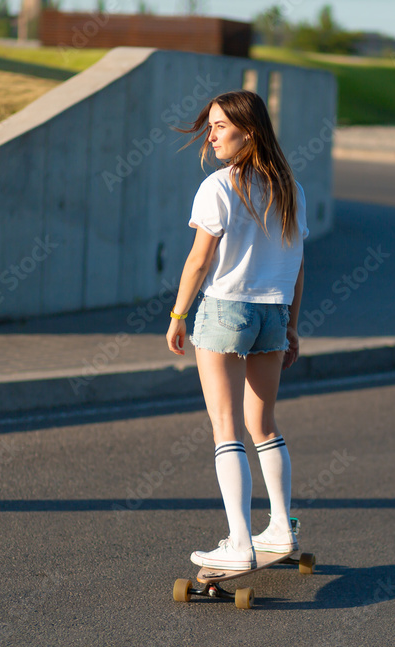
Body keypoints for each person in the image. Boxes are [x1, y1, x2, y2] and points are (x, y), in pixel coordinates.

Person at [166, 89, 307, 571]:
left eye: (222, 126)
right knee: (263, 425)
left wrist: (179, 315)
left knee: (226, 428)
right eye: (211, 126)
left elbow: (199, 259)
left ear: (250, 131)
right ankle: (280, 526)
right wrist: (291, 323)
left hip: (226, 312)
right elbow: (297, 263)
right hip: (272, 313)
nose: (213, 135)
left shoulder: (219, 186)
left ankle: (240, 542)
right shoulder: (290, 187)